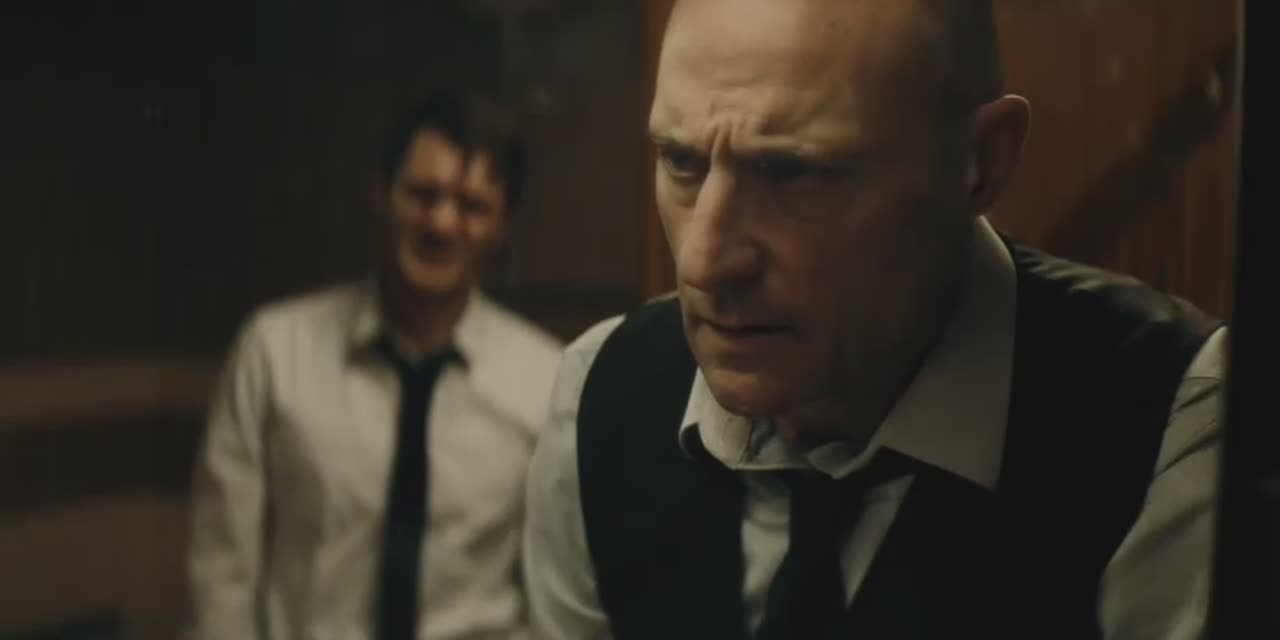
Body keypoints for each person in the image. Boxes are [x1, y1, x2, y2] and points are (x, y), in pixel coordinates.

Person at [522, 1, 1226, 638]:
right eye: (682, 161)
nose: (704, 261)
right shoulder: (601, 398)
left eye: (793, 172)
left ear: (980, 162)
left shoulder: (1170, 420)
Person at [188, 90, 563, 640]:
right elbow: (223, 576)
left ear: (502, 226)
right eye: (423, 194)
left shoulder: (546, 383)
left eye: (472, 206)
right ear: (380, 192)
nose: (442, 223)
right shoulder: (273, 355)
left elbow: (558, 594)